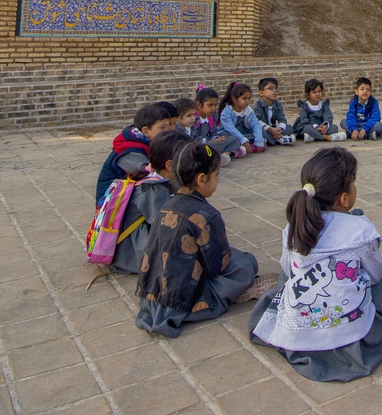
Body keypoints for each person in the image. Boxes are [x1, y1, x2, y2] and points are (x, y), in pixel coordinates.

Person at [249, 148, 382, 381]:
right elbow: (374, 273)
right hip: (349, 332)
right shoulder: (361, 231)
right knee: (379, 287)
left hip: (298, 327)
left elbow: (288, 270)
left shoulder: (294, 229)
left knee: (285, 279)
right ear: (344, 198)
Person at [135, 140, 260, 337]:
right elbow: (217, 267)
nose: (217, 181)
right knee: (245, 264)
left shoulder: (165, 206)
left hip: (150, 295)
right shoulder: (207, 215)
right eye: (216, 175)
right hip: (184, 301)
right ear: (202, 179)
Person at [109, 130, 187, 275]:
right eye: (189, 161)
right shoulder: (154, 188)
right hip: (131, 253)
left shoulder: (155, 176)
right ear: (170, 165)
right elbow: (165, 225)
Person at [95, 102, 175, 205]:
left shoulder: (147, 143)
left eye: (168, 127)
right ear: (146, 131)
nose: (167, 131)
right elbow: (147, 174)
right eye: (163, 128)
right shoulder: (129, 150)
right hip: (113, 203)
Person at [219, 82, 268, 155]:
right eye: (244, 98)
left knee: (262, 132)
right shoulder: (227, 112)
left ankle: (244, 149)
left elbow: (255, 124)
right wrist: (244, 140)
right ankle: (238, 150)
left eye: (249, 98)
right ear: (234, 99)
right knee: (227, 137)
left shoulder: (248, 109)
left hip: (244, 133)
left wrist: (259, 140)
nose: (247, 101)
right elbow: (231, 129)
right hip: (232, 134)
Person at [192, 86, 239, 162]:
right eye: (210, 105)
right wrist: (211, 142)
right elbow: (194, 140)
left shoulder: (212, 117)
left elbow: (213, 133)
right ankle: (218, 155)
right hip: (201, 145)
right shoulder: (194, 119)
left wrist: (217, 139)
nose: (213, 108)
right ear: (198, 105)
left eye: (215, 105)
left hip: (213, 143)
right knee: (206, 148)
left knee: (235, 138)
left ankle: (226, 154)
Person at [253, 78, 294, 146]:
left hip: (274, 129)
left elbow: (282, 119)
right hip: (265, 129)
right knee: (260, 132)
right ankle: (280, 139)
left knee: (289, 127)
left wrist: (279, 129)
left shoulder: (277, 104)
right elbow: (255, 121)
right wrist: (270, 129)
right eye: (271, 88)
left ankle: (276, 138)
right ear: (261, 92)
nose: (274, 91)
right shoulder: (257, 104)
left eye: (276, 88)